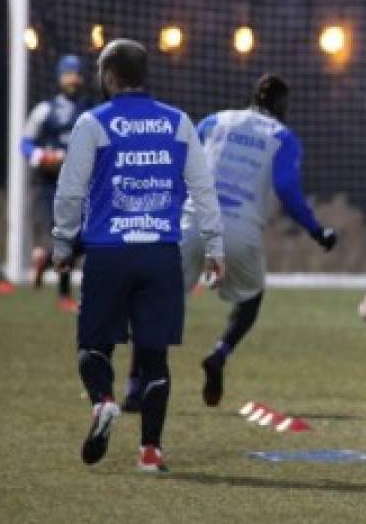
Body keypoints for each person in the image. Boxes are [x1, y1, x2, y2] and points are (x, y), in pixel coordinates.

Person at [51, 39, 223, 473]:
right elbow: (203, 190)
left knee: (94, 346)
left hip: (109, 252)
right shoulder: (179, 122)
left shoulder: (93, 122)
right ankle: (150, 451)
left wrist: (62, 243)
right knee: (155, 357)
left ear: (109, 76)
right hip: (161, 255)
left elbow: (71, 190)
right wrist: (215, 245)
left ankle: (104, 401)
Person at [123, 74, 336, 412]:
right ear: (281, 105)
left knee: (156, 307)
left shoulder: (213, 121)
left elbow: (179, 165)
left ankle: (136, 389)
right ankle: (220, 354)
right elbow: (287, 189)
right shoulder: (283, 137)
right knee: (251, 298)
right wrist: (316, 230)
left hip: (193, 223)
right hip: (239, 231)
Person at [22, 54, 90, 310]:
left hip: (83, 183)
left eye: (76, 73)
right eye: (68, 73)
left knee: (85, 241)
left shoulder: (90, 109)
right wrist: (41, 156)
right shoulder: (44, 110)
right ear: (59, 77)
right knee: (70, 238)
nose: (73, 78)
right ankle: (64, 296)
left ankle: (46, 259)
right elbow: (25, 143)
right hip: (53, 185)